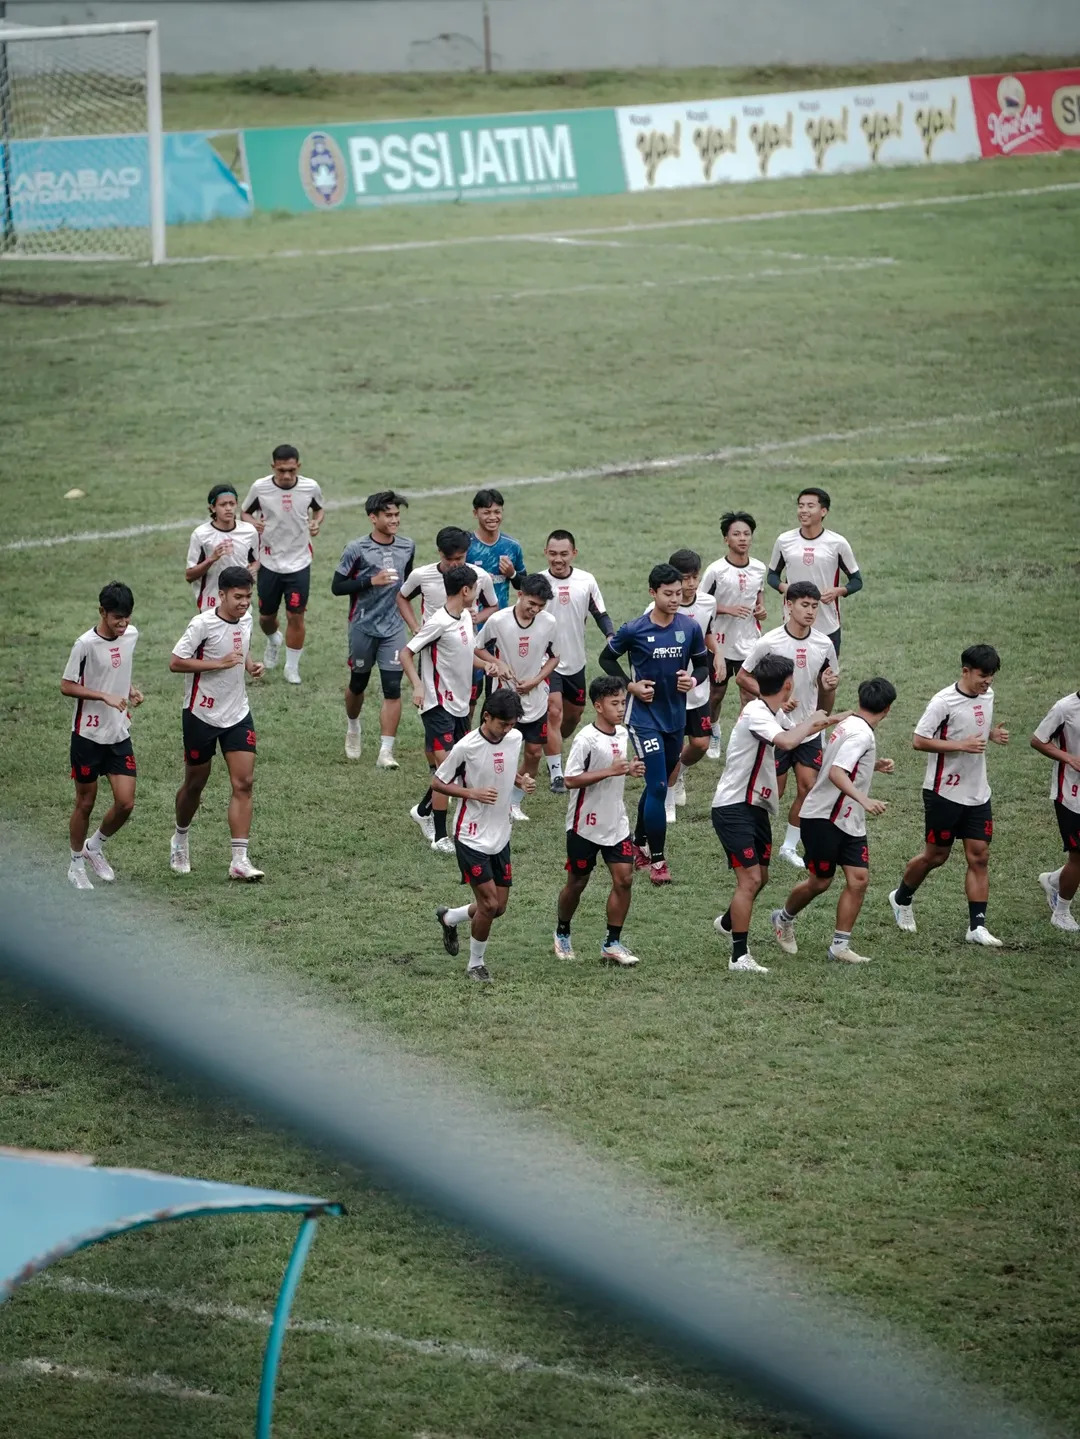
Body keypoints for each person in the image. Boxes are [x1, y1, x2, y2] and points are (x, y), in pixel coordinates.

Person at [711, 655, 835, 973]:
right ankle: (739, 956)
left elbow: (801, 737)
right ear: (788, 685)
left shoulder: (773, 711)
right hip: (733, 807)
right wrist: (815, 720)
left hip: (755, 807)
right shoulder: (756, 713)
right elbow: (788, 740)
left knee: (761, 877)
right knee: (750, 879)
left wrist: (837, 721)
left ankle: (728, 922)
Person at [888, 645, 1009, 947]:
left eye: (992, 676)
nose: (988, 682)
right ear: (965, 671)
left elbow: (975, 725)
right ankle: (901, 898)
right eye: (983, 676)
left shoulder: (988, 695)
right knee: (936, 856)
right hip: (944, 792)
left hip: (978, 792)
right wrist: (960, 745)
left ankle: (976, 927)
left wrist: (990, 734)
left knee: (979, 856)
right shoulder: (943, 702)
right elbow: (918, 740)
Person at [770, 678, 896, 964]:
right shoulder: (861, 734)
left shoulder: (849, 723)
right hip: (823, 818)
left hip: (848, 820)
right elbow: (837, 772)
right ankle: (783, 918)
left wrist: (870, 765)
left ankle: (840, 946)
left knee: (859, 879)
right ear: (888, 709)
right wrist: (865, 800)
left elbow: (832, 760)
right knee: (820, 881)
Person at [598, 563, 710, 886]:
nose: (676, 599)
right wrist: (630, 686)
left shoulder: (689, 627)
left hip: (675, 718)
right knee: (661, 785)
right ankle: (657, 860)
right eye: (669, 594)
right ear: (653, 593)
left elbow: (701, 665)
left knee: (657, 784)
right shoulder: (635, 629)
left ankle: (635, 842)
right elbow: (606, 659)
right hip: (643, 719)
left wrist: (693, 678)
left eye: (679, 593)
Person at [169, 566, 266, 881]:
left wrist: (249, 665)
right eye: (238, 597)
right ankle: (180, 837)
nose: (244, 603)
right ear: (221, 594)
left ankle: (239, 860)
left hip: (237, 713)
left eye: (248, 596)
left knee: (244, 783)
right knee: (196, 783)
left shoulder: (247, 618)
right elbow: (176, 662)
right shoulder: (202, 624)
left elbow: (241, 647)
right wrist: (218, 663)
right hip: (202, 714)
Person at [432, 688, 534, 983]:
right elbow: (437, 782)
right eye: (503, 723)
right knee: (488, 904)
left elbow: (503, 766)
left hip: (501, 833)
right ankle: (475, 965)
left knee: (498, 908)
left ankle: (449, 917)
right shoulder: (466, 747)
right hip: (471, 835)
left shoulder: (514, 738)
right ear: (486, 716)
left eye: (512, 724)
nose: (508, 729)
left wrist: (520, 781)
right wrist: (471, 792)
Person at [736, 580, 840, 869]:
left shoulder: (824, 644)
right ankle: (747, 839)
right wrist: (774, 699)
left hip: (808, 731)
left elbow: (826, 701)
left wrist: (829, 688)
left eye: (814, 606)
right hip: (777, 730)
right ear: (788, 605)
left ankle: (789, 846)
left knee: (808, 787)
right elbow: (742, 677)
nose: (810, 611)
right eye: (804, 605)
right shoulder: (770, 642)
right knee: (773, 792)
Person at [400, 565, 491, 854]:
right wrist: (417, 685)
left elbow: (466, 654)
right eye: (475, 589)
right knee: (448, 769)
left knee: (459, 765)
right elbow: (406, 653)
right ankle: (440, 837)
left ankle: (423, 810)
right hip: (437, 704)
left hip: (460, 705)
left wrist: (487, 664)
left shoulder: (465, 616)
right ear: (465, 590)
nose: (477, 594)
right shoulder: (438, 622)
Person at [555, 676, 646, 966]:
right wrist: (610, 771)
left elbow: (617, 768)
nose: (621, 708)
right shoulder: (586, 739)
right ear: (598, 706)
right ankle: (562, 931)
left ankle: (612, 943)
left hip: (616, 823)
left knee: (625, 879)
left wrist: (630, 769)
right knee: (577, 882)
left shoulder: (622, 733)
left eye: (623, 702)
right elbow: (568, 780)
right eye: (614, 703)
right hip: (585, 824)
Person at [61, 581, 143, 889]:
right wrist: (104, 696)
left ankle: (93, 847)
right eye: (116, 617)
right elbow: (67, 685)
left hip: (118, 732)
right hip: (88, 735)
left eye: (127, 617)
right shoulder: (84, 644)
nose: (123, 624)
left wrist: (128, 689)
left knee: (125, 803)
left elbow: (116, 670)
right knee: (86, 802)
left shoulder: (131, 635)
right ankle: (75, 864)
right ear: (102, 612)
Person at [331, 490, 415, 767]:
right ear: (373, 517)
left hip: (393, 628)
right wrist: (370, 582)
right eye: (388, 515)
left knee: (393, 688)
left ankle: (385, 752)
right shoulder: (356, 549)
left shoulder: (407, 546)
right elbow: (337, 587)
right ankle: (353, 726)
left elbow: (407, 587)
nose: (394, 520)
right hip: (363, 626)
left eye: (396, 515)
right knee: (359, 683)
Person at [474, 573, 559, 821]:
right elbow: (478, 648)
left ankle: (514, 802)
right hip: (503, 697)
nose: (535, 610)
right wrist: (497, 663)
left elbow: (555, 656)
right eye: (531, 603)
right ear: (519, 594)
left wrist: (535, 680)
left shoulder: (549, 622)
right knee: (497, 752)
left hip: (535, 697)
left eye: (540, 606)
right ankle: (490, 798)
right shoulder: (498, 621)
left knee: (533, 752)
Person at [241, 443, 325, 684]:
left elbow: (319, 510)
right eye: (281, 470)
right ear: (273, 468)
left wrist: (316, 522)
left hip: (299, 562)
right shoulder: (260, 487)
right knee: (266, 617)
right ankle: (273, 639)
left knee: (295, 615)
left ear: (298, 466)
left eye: (291, 470)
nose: (287, 475)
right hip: (269, 561)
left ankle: (291, 667)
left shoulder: (310, 487)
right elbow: (245, 512)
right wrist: (251, 523)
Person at [540, 530, 615, 794]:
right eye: (552, 554)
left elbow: (600, 612)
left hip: (575, 661)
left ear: (574, 553)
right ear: (545, 553)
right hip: (546, 661)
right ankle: (556, 774)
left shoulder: (586, 581)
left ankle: (551, 742)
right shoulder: (539, 582)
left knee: (573, 715)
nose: (557, 559)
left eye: (563, 554)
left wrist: (610, 635)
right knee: (554, 712)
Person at [700, 511, 768, 759]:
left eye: (747, 534)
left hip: (749, 642)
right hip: (718, 643)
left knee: (749, 693)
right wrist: (727, 608)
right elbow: (698, 603)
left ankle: (743, 739)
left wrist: (760, 611)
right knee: (715, 694)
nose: (742, 539)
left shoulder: (759, 568)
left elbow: (759, 600)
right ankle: (714, 731)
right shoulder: (716, 571)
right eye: (736, 534)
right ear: (726, 539)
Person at [767, 487, 862, 655]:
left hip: (828, 625)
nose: (804, 510)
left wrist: (837, 591)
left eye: (810, 506)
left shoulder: (837, 543)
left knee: (827, 679)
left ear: (823, 511)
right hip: (792, 624)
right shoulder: (784, 541)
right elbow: (772, 576)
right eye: (801, 505)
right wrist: (786, 588)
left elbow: (857, 581)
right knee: (792, 678)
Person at [663, 548, 719, 824]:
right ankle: (668, 796)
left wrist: (717, 653)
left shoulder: (708, 602)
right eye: (685, 578)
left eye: (694, 577)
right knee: (672, 747)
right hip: (670, 691)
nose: (691, 584)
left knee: (700, 743)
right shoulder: (660, 607)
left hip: (697, 686)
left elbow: (708, 632)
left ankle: (679, 774)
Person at [1030, 689, 1080, 933]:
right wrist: (1068, 758)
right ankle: (1061, 912)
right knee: (1079, 856)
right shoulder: (1065, 708)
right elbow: (1038, 740)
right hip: (1072, 795)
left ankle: (1052, 881)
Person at [185, 484, 259, 613]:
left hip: (242, 605)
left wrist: (253, 569)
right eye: (223, 505)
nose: (228, 508)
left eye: (232, 503)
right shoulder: (201, 535)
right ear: (212, 508)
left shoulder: (249, 531)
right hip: (211, 606)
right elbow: (189, 575)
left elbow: (255, 560)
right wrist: (211, 559)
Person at [468, 487, 526, 609]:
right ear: (475, 513)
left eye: (497, 512)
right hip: (472, 619)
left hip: (501, 619)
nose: (493, 517)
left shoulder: (512, 546)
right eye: (487, 512)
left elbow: (524, 585)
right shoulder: (467, 546)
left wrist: (513, 574)